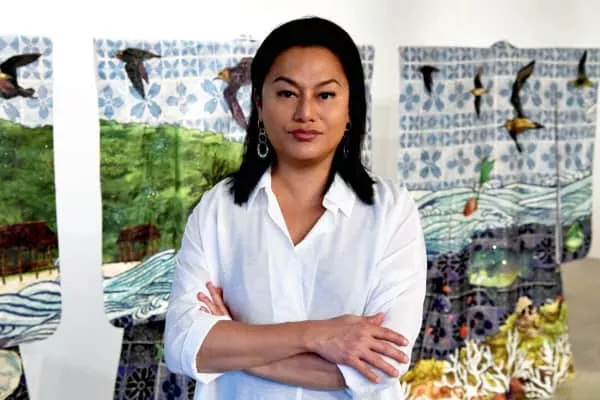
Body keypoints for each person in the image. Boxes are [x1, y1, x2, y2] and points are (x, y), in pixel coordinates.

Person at [164, 16, 427, 400]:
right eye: (287, 93)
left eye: (325, 95)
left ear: (351, 107)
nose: (306, 112)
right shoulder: (218, 208)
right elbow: (182, 344)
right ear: (259, 103)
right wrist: (317, 335)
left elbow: (381, 365)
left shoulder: (392, 212)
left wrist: (236, 344)